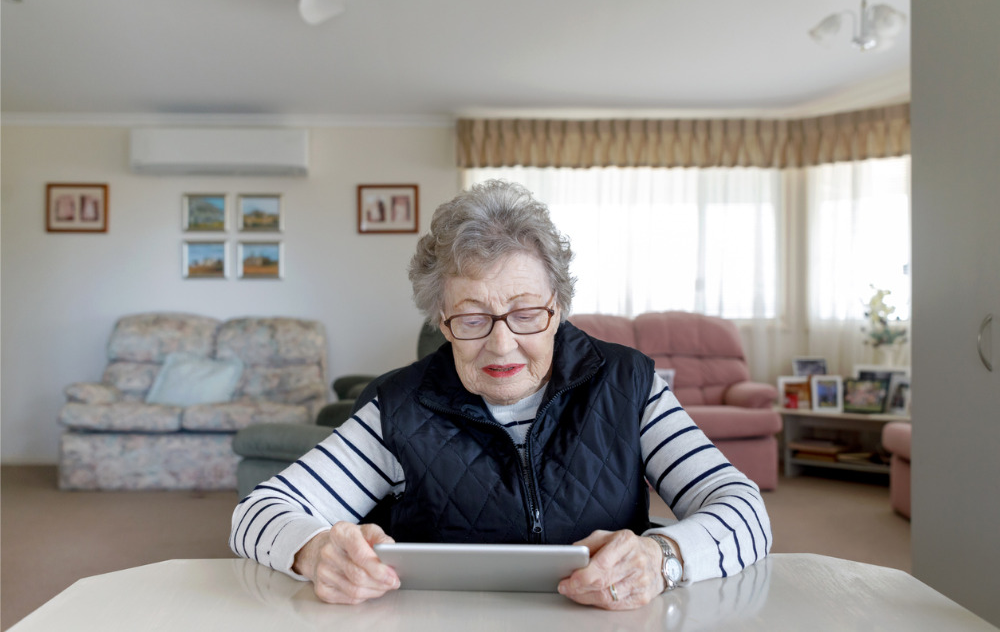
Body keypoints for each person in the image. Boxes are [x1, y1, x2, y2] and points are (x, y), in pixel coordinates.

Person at [231, 179, 772, 611]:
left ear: (557, 308)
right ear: (441, 323)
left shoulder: (627, 384)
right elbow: (257, 512)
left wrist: (663, 558)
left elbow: (746, 511)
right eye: (472, 317)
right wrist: (313, 550)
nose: (501, 342)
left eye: (526, 312)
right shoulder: (396, 406)